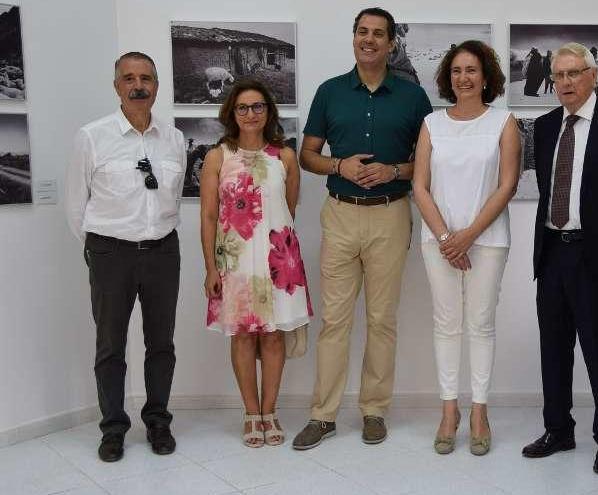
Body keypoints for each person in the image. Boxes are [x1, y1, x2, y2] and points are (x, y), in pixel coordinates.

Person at [292, 7, 433, 450]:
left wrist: (395, 170)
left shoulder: (413, 97)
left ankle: (374, 410)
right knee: (334, 320)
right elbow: (306, 155)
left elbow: (429, 163)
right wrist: (339, 165)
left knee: (381, 319)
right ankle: (323, 415)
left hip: (391, 213)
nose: (369, 40)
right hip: (340, 213)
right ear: (353, 38)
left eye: (379, 34)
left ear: (392, 43)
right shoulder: (330, 92)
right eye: (362, 32)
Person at [521, 42, 598, 475]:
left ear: (594, 76)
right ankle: (558, 429)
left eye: (575, 73)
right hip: (552, 252)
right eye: (559, 75)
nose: (566, 82)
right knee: (553, 349)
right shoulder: (547, 125)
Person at [65, 52, 185, 462]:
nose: (139, 86)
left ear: (156, 85)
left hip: (163, 252)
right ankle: (113, 428)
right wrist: (99, 249)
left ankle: (158, 422)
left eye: (146, 78)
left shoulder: (173, 139)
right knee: (110, 345)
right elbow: (74, 206)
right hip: (110, 253)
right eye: (129, 78)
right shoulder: (92, 136)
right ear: (116, 85)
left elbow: (172, 197)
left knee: (162, 343)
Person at [412, 40, 520, 456]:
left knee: (480, 324)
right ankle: (448, 410)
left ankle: (479, 411)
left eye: (472, 70)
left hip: (487, 242)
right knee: (446, 324)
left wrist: (468, 236)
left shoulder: (504, 122)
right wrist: (445, 238)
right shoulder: (431, 124)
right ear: (448, 78)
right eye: (456, 71)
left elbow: (507, 185)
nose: (464, 78)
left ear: (486, 76)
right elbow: (419, 185)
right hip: (437, 242)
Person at [200, 79, 312, 448]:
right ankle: (250, 413)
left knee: (274, 335)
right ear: (232, 113)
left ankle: (270, 411)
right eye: (243, 108)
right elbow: (209, 217)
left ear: (269, 112)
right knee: (244, 336)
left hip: (277, 257)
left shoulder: (285, 157)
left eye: (258, 107)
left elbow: (288, 208)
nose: (251, 114)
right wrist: (211, 268)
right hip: (235, 261)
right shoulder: (219, 156)